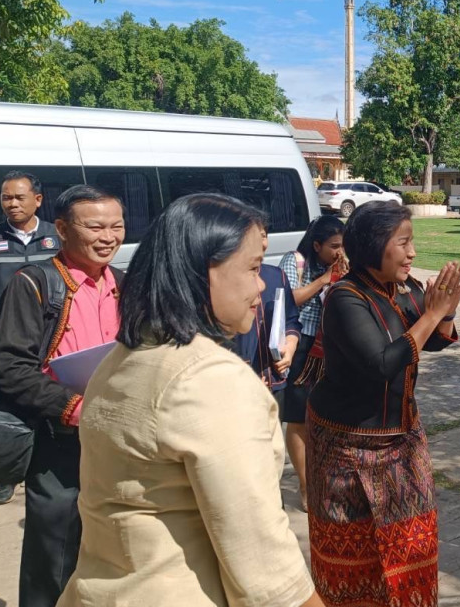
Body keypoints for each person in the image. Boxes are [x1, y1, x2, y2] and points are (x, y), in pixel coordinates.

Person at [58, 193, 321, 607]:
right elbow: (265, 569)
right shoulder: (210, 378)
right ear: (202, 271)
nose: (261, 286)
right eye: (253, 268)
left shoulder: (121, 358)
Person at [308, 201, 460, 606]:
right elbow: (381, 363)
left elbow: (429, 341)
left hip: (401, 442)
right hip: (346, 448)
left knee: (412, 547)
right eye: (404, 242)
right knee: (353, 554)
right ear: (375, 244)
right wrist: (432, 314)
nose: (413, 252)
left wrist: (445, 314)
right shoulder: (345, 297)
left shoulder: (406, 289)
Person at [0, 185, 125, 607]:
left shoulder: (123, 283)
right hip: (59, 439)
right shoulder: (34, 283)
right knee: (55, 552)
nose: (108, 237)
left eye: (117, 226)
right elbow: (10, 366)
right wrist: (73, 408)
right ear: (61, 229)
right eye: (95, 227)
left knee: (112, 548)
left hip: (117, 438)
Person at [0, 170, 60, 506]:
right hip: (1, 335)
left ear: (38, 200)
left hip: (48, 331)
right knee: (0, 403)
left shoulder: (57, 234)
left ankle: (50, 466)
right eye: (6, 197)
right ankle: (5, 474)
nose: (12, 203)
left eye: (19, 197)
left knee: (48, 395)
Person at [279, 214, 346, 511]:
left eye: (343, 246)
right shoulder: (295, 261)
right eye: (334, 246)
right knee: (298, 419)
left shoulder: (340, 266)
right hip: (300, 345)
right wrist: (323, 280)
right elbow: (288, 299)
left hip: (329, 347)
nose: (339, 252)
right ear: (316, 245)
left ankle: (324, 481)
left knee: (327, 418)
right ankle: (306, 486)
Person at [227, 227, 301, 392]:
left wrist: (289, 348)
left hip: (274, 378)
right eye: (251, 236)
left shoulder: (277, 276)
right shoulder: (226, 281)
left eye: (263, 236)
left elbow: (291, 320)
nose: (260, 286)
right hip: (240, 383)